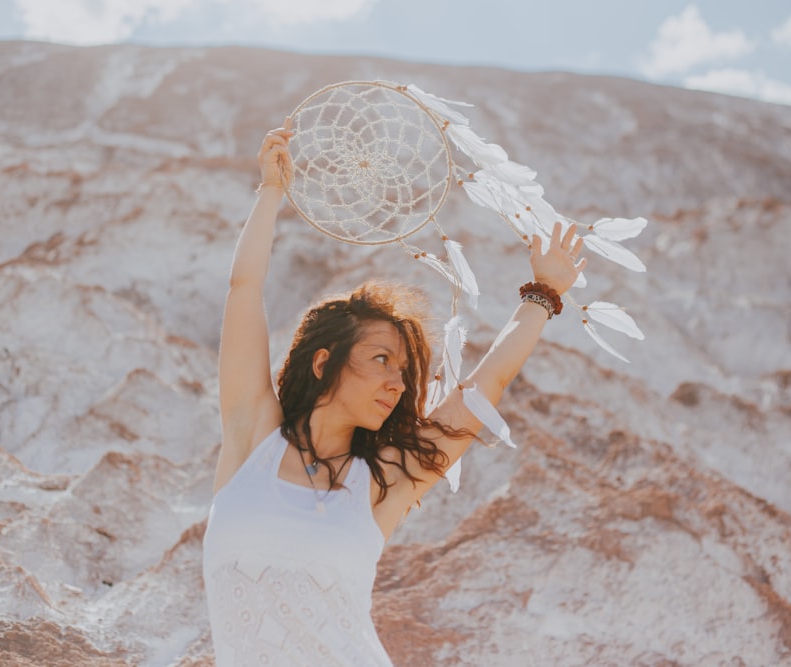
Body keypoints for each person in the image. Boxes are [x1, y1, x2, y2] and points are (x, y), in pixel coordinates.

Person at [202, 121, 587, 666]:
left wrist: (543, 294)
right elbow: (244, 289)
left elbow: (483, 389)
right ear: (323, 361)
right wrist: (271, 192)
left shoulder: (385, 479)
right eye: (382, 359)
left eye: (405, 371)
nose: (397, 382)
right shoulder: (252, 439)